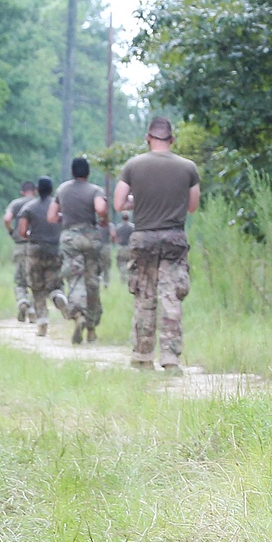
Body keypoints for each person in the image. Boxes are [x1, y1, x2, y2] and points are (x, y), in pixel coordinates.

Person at [114, 116, 200, 371]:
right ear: (172, 139)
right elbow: (192, 206)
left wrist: (137, 201)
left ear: (147, 138)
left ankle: (142, 356)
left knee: (145, 296)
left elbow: (119, 204)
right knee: (170, 297)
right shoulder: (188, 167)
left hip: (144, 238)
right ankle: (171, 358)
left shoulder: (133, 165)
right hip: (174, 238)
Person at [49, 157, 109, 345]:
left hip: (70, 238)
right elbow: (100, 208)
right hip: (91, 237)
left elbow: (51, 217)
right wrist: (104, 220)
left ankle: (77, 316)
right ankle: (91, 328)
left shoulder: (62, 190)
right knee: (92, 281)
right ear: (88, 172)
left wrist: (64, 217)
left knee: (74, 278)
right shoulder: (95, 190)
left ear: (73, 172)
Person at [17, 176, 69, 337]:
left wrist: (32, 234)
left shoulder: (28, 207)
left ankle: (42, 321)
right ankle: (58, 295)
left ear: (37, 190)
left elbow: (22, 232)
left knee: (37, 287)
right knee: (55, 282)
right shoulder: (58, 207)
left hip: (35, 249)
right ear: (52, 190)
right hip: (55, 248)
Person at [2, 181, 37, 323]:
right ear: (34, 190)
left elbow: (7, 219)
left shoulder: (16, 203)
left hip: (20, 245)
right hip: (36, 246)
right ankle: (33, 309)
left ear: (22, 191)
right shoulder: (38, 203)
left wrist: (11, 231)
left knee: (20, 279)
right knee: (35, 279)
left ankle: (22, 300)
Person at [114, 211, 134, 283]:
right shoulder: (132, 227)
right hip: (130, 247)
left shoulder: (118, 227)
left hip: (121, 247)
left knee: (121, 263)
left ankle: (123, 279)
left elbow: (115, 237)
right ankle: (130, 277)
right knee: (131, 262)